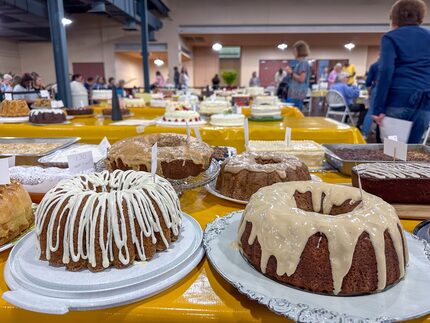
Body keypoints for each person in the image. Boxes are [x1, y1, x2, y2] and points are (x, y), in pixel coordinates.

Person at [372, 0, 430, 144]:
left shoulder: (391, 37)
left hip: (397, 101)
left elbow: (385, 71)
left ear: (395, 16)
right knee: (413, 152)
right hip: (425, 101)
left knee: (393, 153)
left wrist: (378, 108)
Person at [285, 41, 311, 110]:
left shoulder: (303, 62)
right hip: (295, 94)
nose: (293, 53)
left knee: (294, 114)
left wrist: (290, 72)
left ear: (298, 50)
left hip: (297, 94)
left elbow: (301, 79)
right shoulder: (300, 63)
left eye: (294, 50)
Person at [361, 59, 379, 138]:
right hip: (392, 89)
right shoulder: (395, 64)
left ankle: (364, 134)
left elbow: (368, 82)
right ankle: (389, 141)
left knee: (371, 111)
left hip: (377, 87)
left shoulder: (374, 65)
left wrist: (370, 91)